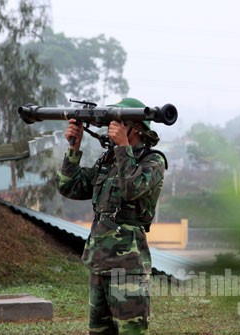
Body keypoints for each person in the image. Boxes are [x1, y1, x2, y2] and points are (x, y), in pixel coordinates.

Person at [55, 97, 166, 334]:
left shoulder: (153, 161)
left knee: (131, 331)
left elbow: (132, 189)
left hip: (128, 266)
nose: (111, 127)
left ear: (134, 129)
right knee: (99, 331)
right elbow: (69, 186)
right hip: (99, 262)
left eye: (118, 122)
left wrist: (123, 147)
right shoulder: (109, 160)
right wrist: (74, 147)